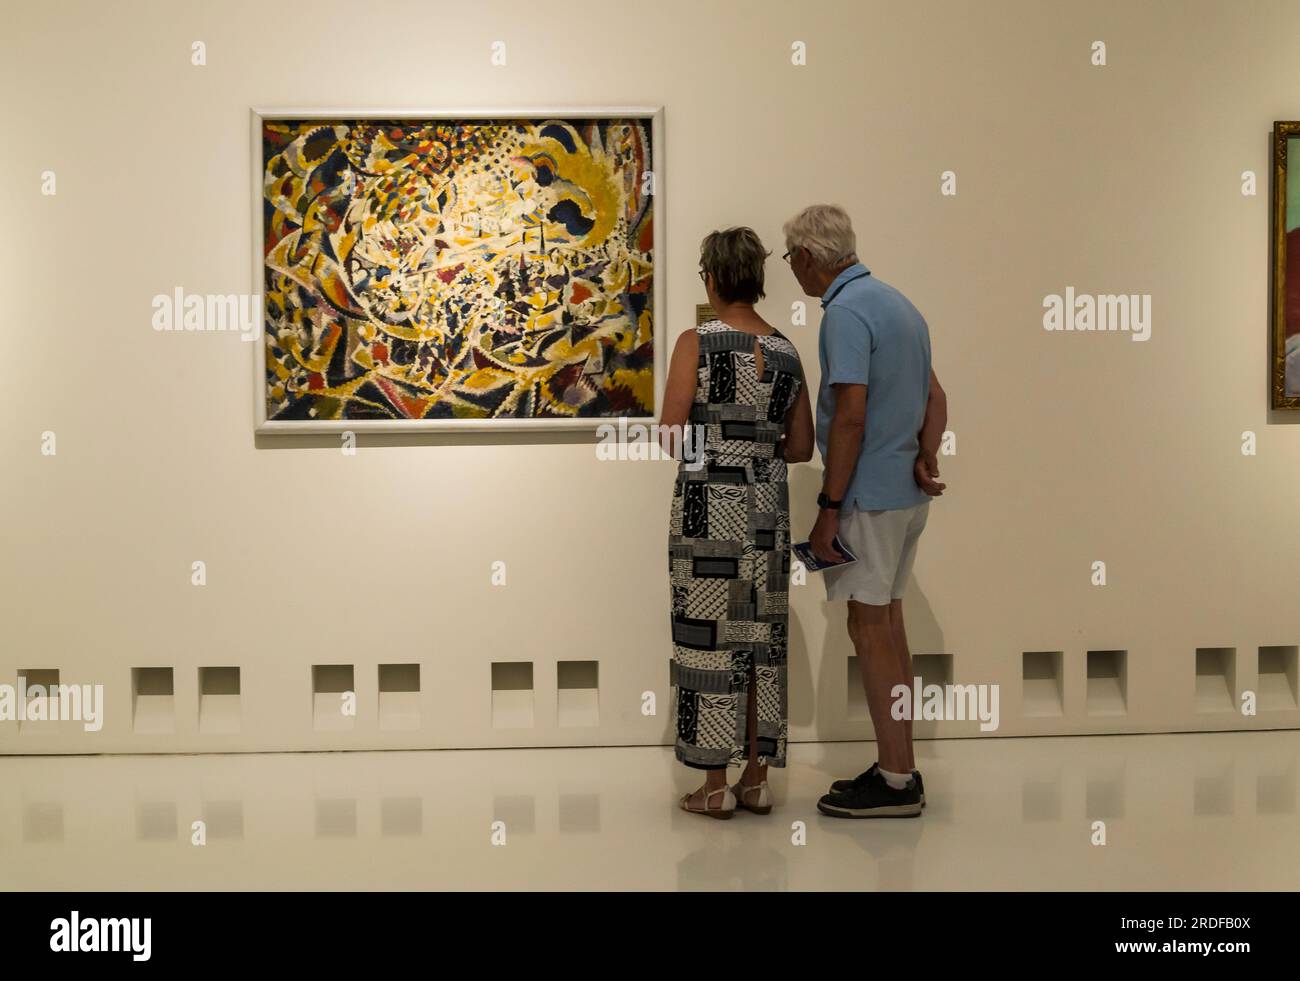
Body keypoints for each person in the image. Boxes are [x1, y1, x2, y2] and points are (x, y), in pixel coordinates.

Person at [782, 204, 948, 819]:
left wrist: (829, 504)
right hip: (903, 496)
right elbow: (935, 394)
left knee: (869, 630)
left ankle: (898, 780)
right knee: (891, 627)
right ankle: (898, 767)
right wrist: (925, 456)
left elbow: (849, 414)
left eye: (790, 258)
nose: (792, 270)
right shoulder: (898, 304)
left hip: (869, 499)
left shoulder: (845, 313)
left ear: (806, 257)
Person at [661, 227, 815, 818]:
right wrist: (756, 445)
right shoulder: (785, 350)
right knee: (760, 640)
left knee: (707, 639)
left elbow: (673, 434)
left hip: (707, 509)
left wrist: (717, 446)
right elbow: (800, 447)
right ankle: (757, 780)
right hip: (767, 513)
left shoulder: (695, 343)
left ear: (713, 278)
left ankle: (714, 785)